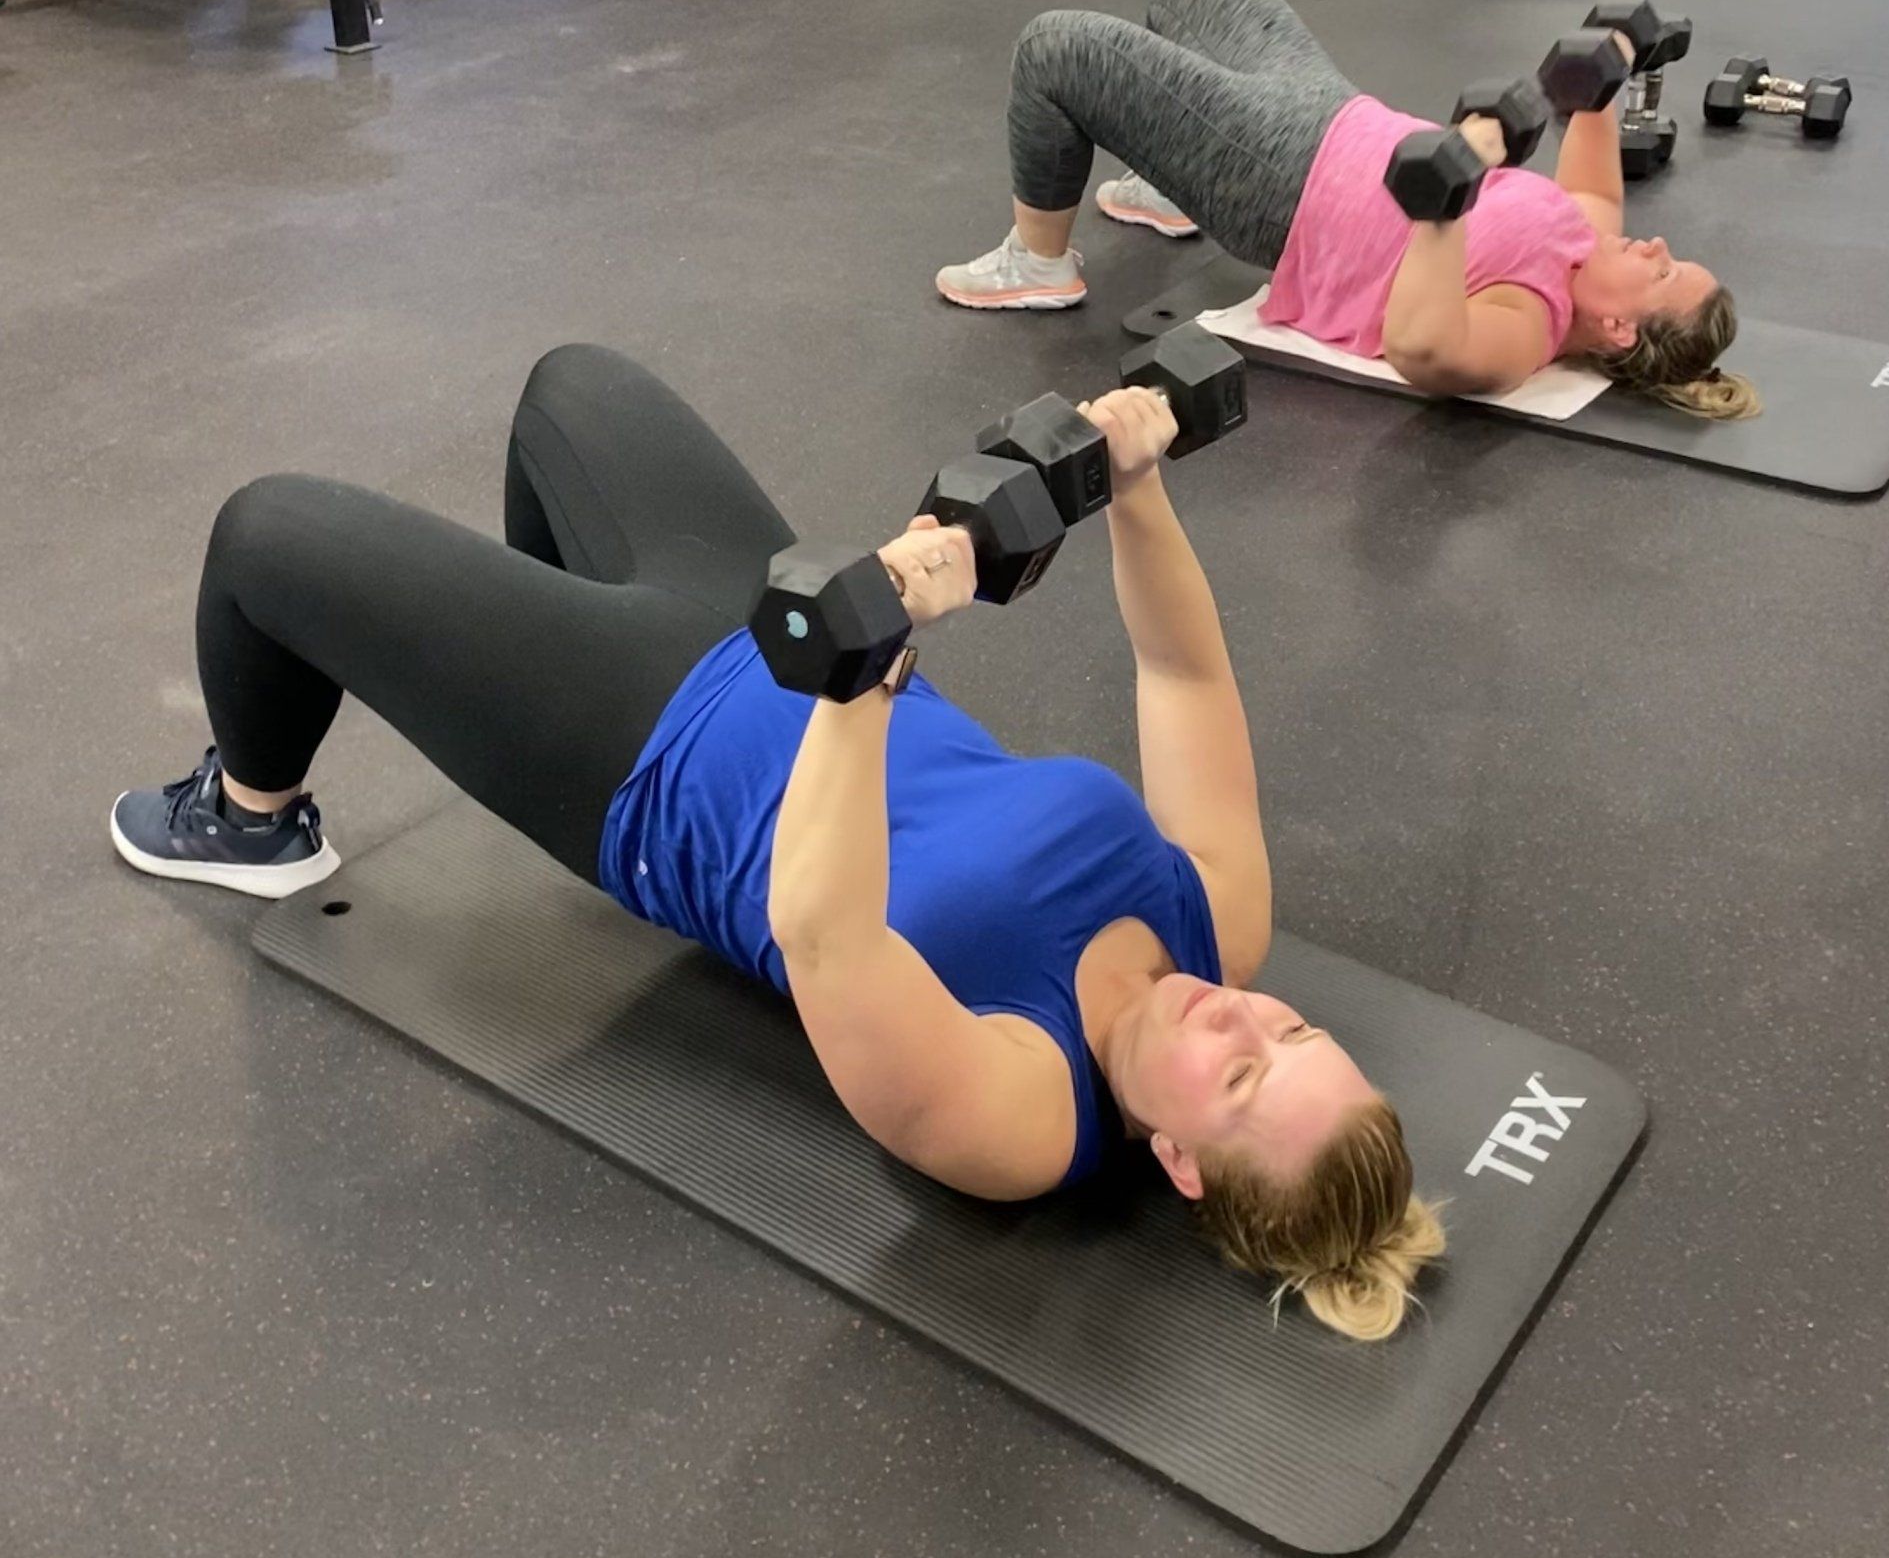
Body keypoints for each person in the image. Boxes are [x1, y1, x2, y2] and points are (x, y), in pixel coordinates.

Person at [110, 345, 1444, 1339]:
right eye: (1295, 1034)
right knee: (571, 390)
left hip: (646, 757)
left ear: (1183, 1163)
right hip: (770, 627)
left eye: (1245, 1081)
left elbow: (825, 934)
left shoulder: (1026, 1119)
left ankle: (248, 817)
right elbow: (1188, 686)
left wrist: (864, 671)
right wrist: (1140, 487)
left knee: (263, 532)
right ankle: (530, 621)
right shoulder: (1222, 922)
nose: (1245, 1020)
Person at [938, 0, 1756, 420]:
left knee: (1058, 50)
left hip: (1279, 182)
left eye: (1661, 270)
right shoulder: (1585, 241)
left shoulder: (1526, 325)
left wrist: (1445, 201)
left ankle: (1038, 260)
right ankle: (1170, 174)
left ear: (1616, 329)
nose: (1654, 243)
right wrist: (1612, 63)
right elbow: (1600, 192)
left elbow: (1423, 347)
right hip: (1331, 107)